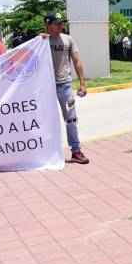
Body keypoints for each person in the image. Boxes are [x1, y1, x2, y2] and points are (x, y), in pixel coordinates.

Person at [42, 13, 89, 164]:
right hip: (46, 87)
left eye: (61, 23)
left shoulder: (68, 39)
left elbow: (77, 61)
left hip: (65, 85)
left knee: (71, 119)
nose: (60, 26)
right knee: (44, 120)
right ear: (47, 25)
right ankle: (43, 153)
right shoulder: (42, 40)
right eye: (56, 23)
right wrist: (38, 38)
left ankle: (76, 151)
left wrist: (82, 83)